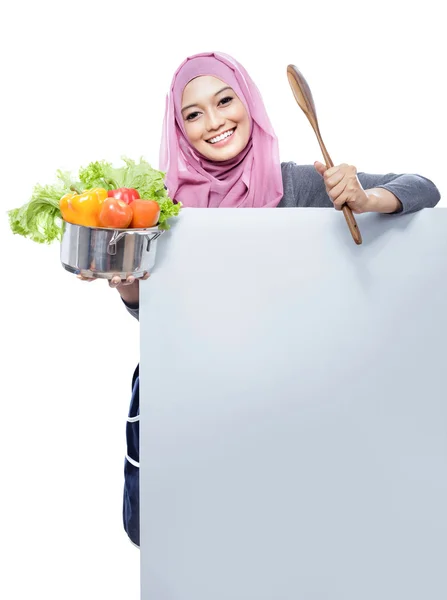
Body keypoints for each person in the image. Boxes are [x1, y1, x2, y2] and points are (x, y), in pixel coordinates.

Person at [107, 52, 440, 547]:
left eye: (225, 100)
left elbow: (424, 189)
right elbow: (153, 314)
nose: (215, 121)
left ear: (251, 105)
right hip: (189, 398)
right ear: (179, 129)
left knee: (275, 534)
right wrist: (124, 281)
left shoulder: (297, 184)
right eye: (193, 114)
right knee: (183, 541)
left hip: (281, 400)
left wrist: (366, 199)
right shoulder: (163, 203)